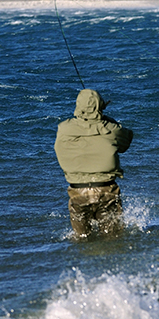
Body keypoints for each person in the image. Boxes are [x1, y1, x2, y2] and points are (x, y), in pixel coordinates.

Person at [54, 89, 133, 236]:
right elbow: (126, 142)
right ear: (100, 106)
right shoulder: (111, 128)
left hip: (77, 193)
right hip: (106, 192)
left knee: (82, 240)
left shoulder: (63, 129)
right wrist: (109, 121)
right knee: (113, 240)